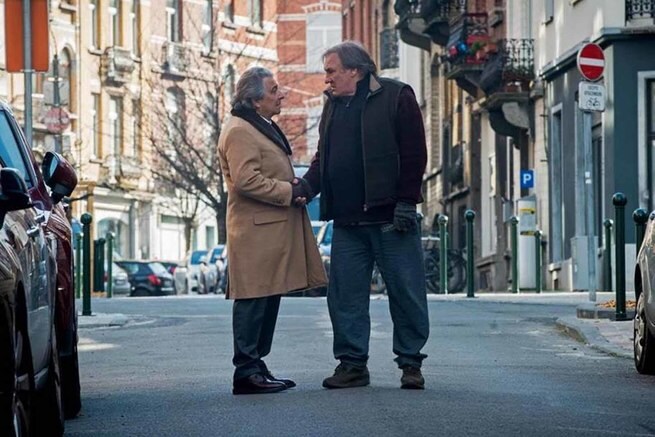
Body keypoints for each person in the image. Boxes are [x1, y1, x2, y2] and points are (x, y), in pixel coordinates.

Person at [294, 41, 429, 390]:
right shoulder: (333, 107)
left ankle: (411, 364)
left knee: (406, 292)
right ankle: (352, 364)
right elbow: (323, 160)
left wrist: (406, 202)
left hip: (390, 219)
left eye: (331, 71)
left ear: (354, 70)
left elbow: (415, 154)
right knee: (345, 297)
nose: (327, 79)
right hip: (348, 222)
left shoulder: (397, 96)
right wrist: (305, 189)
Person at [217, 67, 327, 395]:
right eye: (274, 90)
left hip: (267, 231)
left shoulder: (257, 126)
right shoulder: (240, 130)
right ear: (254, 100)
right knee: (253, 299)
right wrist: (288, 191)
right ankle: (246, 370)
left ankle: (256, 365)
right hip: (255, 232)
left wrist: (290, 183)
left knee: (266, 299)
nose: (282, 95)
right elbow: (246, 180)